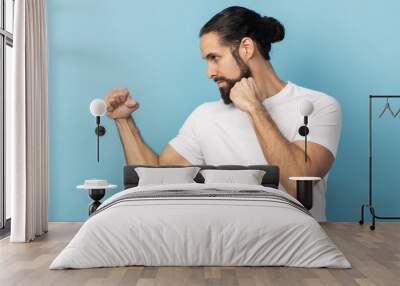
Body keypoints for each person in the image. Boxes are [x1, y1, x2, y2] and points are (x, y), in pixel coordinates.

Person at [104, 6, 341, 221]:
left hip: (296, 246)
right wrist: (125, 121)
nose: (209, 72)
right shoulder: (205, 116)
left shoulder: (318, 105)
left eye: (215, 58)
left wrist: (255, 109)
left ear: (246, 48)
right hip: (223, 243)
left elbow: (298, 183)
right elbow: (154, 178)